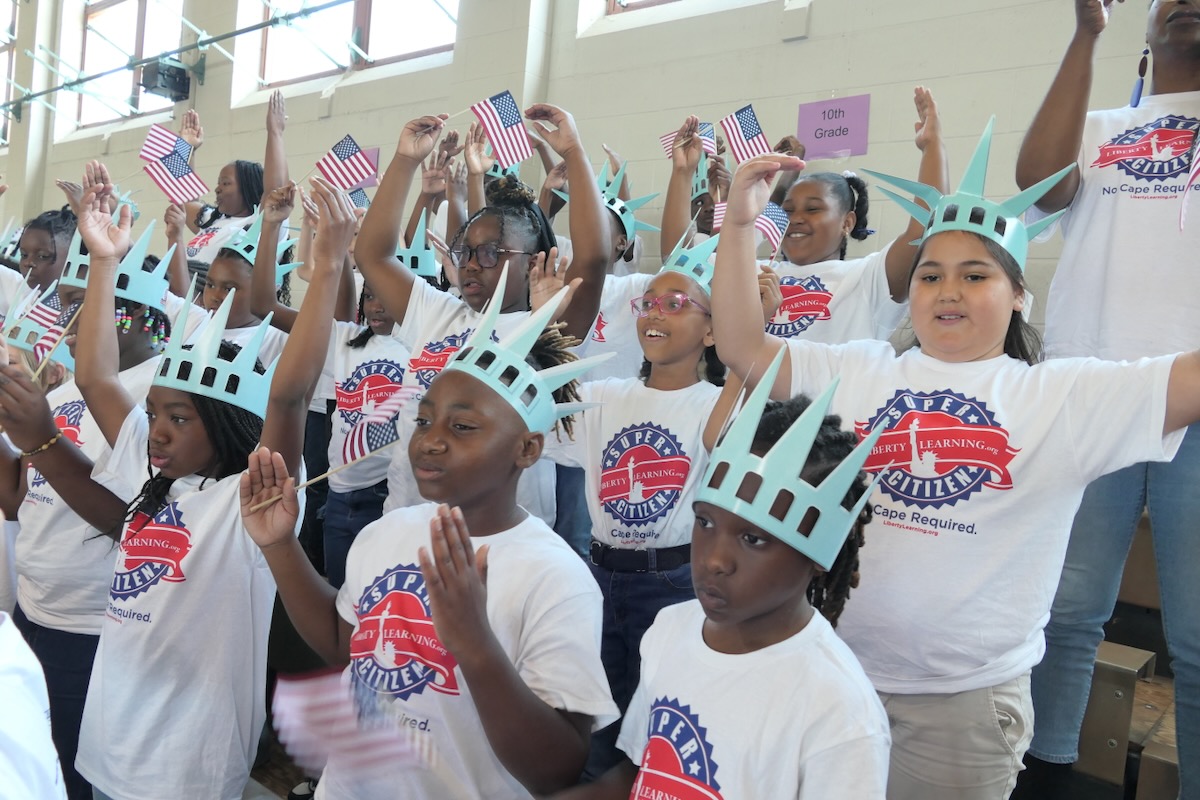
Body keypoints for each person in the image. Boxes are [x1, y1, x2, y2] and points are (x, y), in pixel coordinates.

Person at [708, 122, 1200, 799]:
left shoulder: (1062, 396)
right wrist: (738, 225)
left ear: (1019, 294)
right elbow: (741, 345)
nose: (948, 291)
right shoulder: (859, 370)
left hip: (963, 707)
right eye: (930, 275)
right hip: (831, 675)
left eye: (976, 275)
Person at [240, 268, 617, 799]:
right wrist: (279, 545)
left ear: (528, 449)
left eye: (462, 427)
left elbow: (555, 770)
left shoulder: (555, 578)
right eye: (423, 421)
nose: (431, 441)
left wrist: (476, 645)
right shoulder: (388, 533)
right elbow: (345, 645)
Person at [57, 173, 343, 800]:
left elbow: (289, 397)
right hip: (108, 746)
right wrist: (103, 262)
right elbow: (96, 377)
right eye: (153, 413)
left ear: (225, 426)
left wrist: (327, 271)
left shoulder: (248, 501)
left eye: (179, 419)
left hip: (186, 767)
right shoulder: (155, 477)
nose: (156, 431)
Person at [551, 352, 891, 799]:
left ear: (819, 555)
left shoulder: (837, 709)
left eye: (753, 539)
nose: (714, 560)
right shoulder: (670, 629)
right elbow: (641, 772)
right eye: (705, 522)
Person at [1012, 1, 1200, 794]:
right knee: (1066, 612)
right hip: (1090, 394)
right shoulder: (1095, 127)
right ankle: (1047, 775)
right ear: (1145, 24)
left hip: (1194, 401)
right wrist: (1085, 35)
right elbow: (1036, 184)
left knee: (1197, 639)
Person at [542, 236, 741, 776]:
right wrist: (546, 322)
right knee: (596, 724)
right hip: (599, 575)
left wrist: (749, 335)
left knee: (658, 725)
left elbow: (732, 443)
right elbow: (529, 406)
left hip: (673, 584)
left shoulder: (715, 404)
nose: (655, 313)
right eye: (648, 302)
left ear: (711, 330)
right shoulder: (603, 394)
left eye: (675, 304)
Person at [355, 107, 610, 526]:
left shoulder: (545, 325)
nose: (472, 264)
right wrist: (405, 161)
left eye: (492, 253)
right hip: (410, 523)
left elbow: (595, 259)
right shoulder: (438, 312)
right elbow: (372, 256)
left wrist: (575, 152)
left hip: (496, 539)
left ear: (533, 262)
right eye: (465, 252)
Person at [0, 228, 171, 800]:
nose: (69, 322)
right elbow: (17, 501)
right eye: (68, 305)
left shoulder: (159, 401)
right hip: (34, 606)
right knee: (32, 759)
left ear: (141, 316)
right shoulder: (64, 392)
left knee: (69, 771)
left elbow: (136, 523)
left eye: (87, 305)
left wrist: (42, 438)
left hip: (91, 623)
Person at [664, 88, 947, 345]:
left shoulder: (866, 277)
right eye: (788, 210)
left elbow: (923, 233)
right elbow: (678, 261)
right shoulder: (755, 272)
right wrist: (682, 173)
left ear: (847, 222)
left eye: (813, 209)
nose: (796, 218)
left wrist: (933, 146)